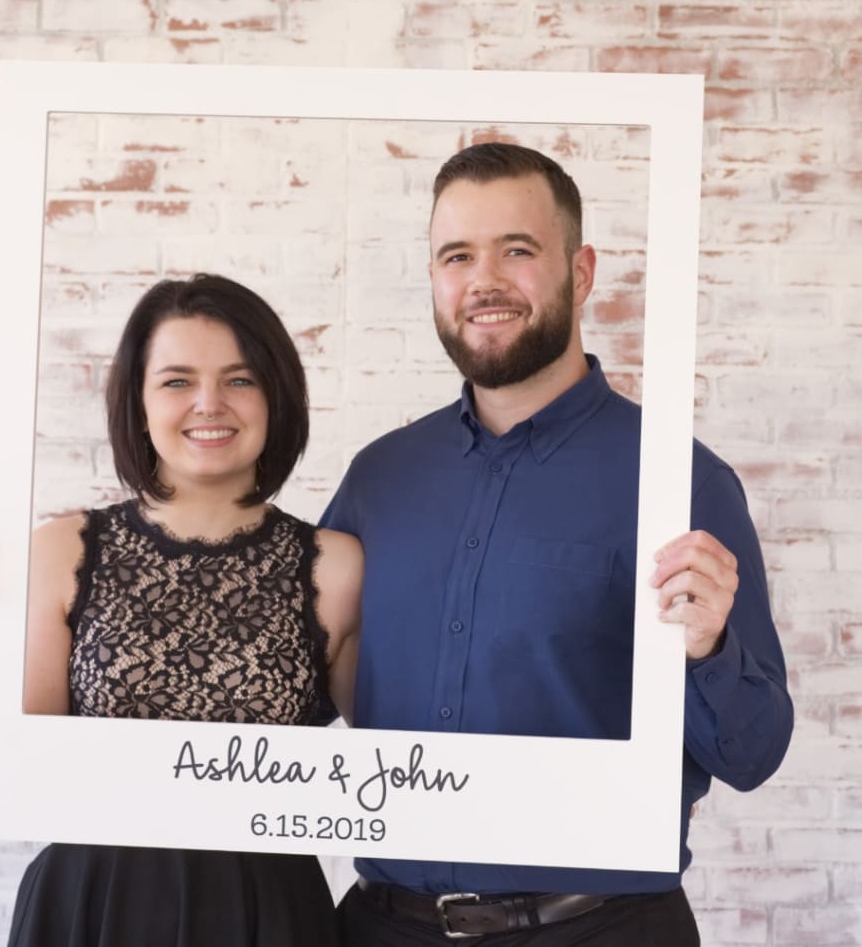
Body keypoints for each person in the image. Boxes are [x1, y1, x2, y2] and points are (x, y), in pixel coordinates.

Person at [321, 143, 793, 945]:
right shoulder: (379, 480)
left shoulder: (682, 482)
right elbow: (292, 683)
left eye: (517, 250)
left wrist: (705, 648)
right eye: (457, 255)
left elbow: (751, 755)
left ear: (580, 273)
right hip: (380, 927)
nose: (484, 281)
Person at [0, 274, 362, 947]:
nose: (209, 404)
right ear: (139, 401)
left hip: (265, 916)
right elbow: (9, 784)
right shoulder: (61, 550)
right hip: (91, 909)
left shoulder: (338, 566)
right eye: (177, 381)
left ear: (278, 395)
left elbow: (402, 769)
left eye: (239, 380)